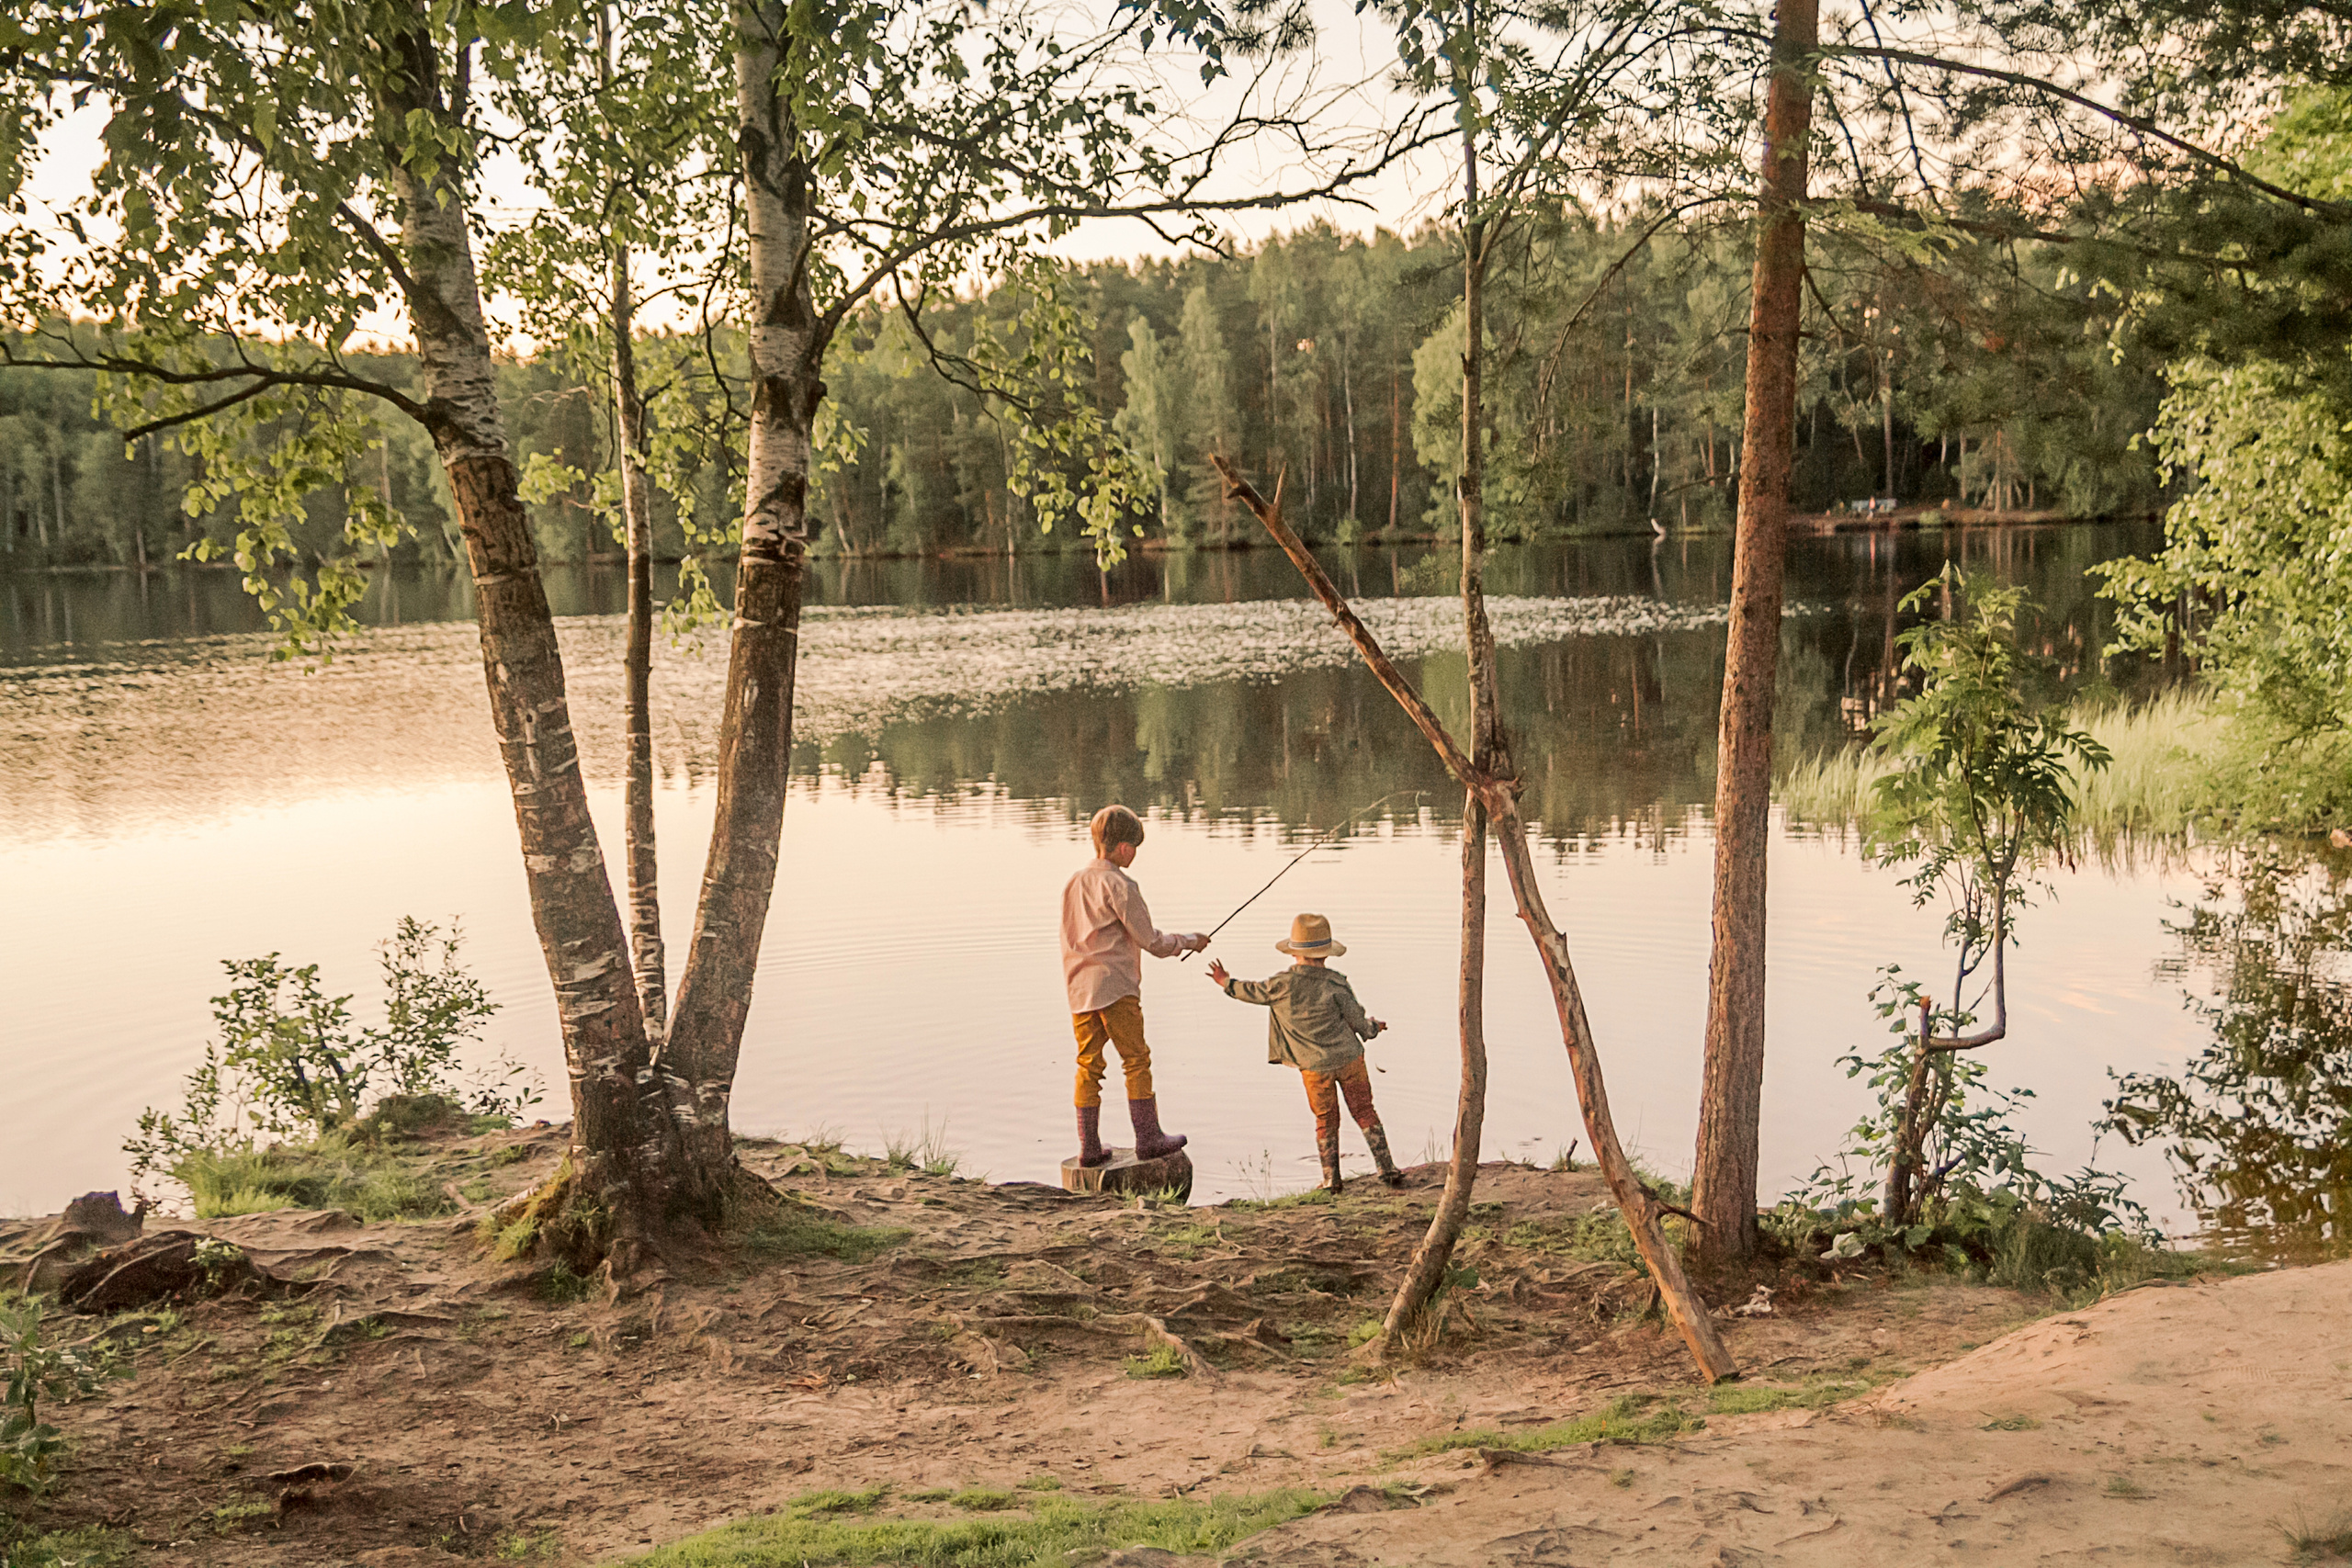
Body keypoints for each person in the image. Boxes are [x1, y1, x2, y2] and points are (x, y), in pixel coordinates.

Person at [1207, 912, 1404, 1193]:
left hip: (1314, 1069)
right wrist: (1374, 1027)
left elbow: (1251, 992)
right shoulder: (1336, 983)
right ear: (1326, 955)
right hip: (1350, 1059)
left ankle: (1331, 1180)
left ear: (1294, 953)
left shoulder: (1281, 985)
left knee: (1325, 1120)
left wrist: (1225, 981)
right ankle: (1387, 1168)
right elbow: (1358, 1021)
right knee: (1364, 1110)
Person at [1061, 804, 1209, 1168]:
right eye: (1135, 848)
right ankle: (1148, 1138)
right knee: (1136, 1060)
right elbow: (1151, 941)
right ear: (1124, 848)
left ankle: (1090, 1149)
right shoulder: (1121, 884)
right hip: (1116, 988)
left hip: (1079, 988)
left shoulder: (1074, 882)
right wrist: (1190, 940)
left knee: (1088, 1065)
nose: (1135, 855)